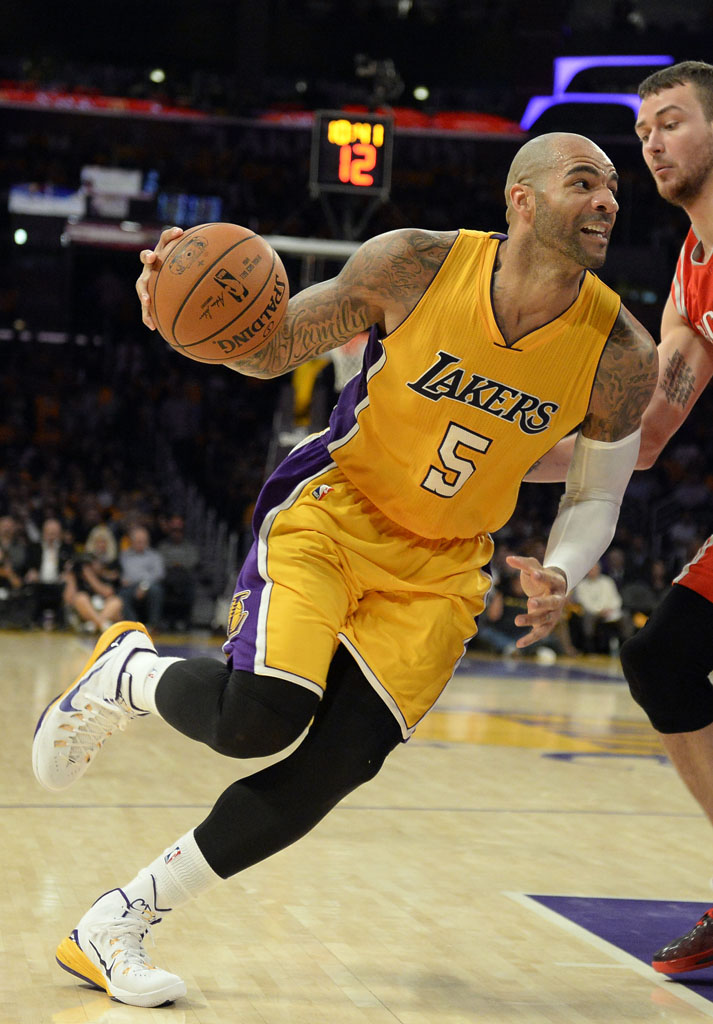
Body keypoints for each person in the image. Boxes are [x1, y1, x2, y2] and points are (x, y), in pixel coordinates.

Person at [31, 132, 657, 1008]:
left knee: (332, 770)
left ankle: (115, 923)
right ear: (519, 199)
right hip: (337, 512)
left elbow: (596, 494)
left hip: (442, 569)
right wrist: (171, 307)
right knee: (258, 720)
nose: (606, 202)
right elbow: (267, 347)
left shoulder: (621, 353)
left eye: (613, 190)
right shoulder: (411, 266)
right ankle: (126, 674)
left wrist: (558, 567)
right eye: (583, 182)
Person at [526, 62, 713, 975]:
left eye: (671, 123)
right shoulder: (691, 268)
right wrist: (503, 453)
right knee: (661, 656)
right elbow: (645, 437)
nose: (651, 144)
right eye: (643, 130)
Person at [118, 524, 165, 629]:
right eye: (138, 541)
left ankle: (153, 625)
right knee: (122, 594)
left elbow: (159, 574)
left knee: (156, 591)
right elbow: (125, 574)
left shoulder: (154, 556)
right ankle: (132, 625)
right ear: (132, 541)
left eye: (143, 541)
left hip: (149, 585)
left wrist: (144, 586)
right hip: (131, 586)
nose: (140, 544)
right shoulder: (124, 555)